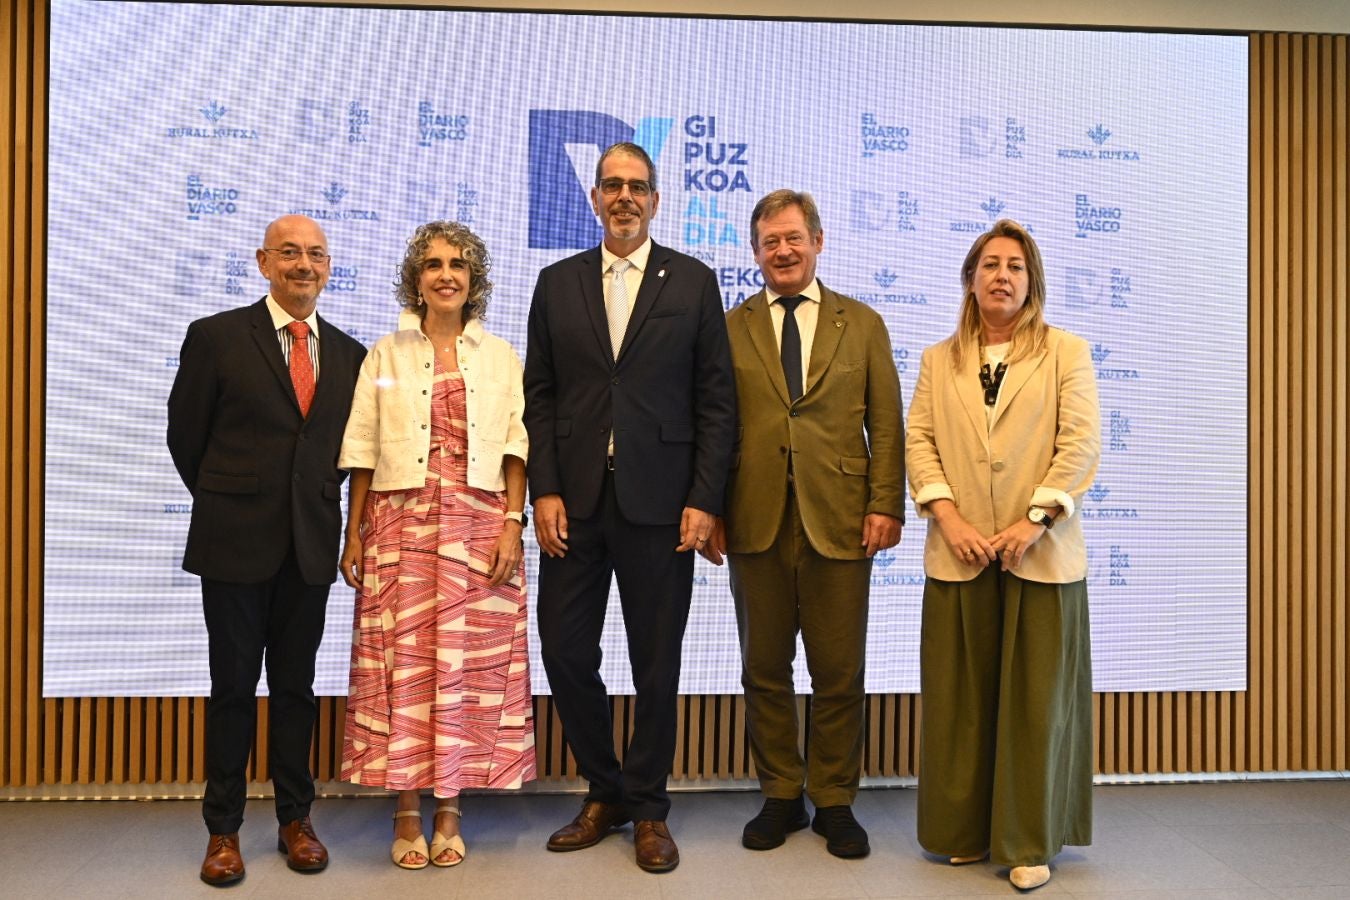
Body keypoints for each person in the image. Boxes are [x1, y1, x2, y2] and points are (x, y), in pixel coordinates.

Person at [523, 141, 736, 873]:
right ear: (593, 197)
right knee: (564, 651)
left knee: (656, 662)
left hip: (662, 505)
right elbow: (540, 397)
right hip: (574, 505)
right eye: (611, 185)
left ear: (656, 199)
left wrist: (705, 500)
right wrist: (543, 489)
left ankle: (648, 806)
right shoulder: (556, 284)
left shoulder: (694, 282)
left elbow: (717, 403)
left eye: (637, 187)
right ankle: (604, 787)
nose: (624, 198)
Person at [701, 189, 904, 859]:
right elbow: (715, 426)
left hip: (842, 521)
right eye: (769, 242)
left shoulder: (863, 323)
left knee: (839, 669)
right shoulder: (729, 327)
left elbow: (887, 423)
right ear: (755, 252)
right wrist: (712, 509)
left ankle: (837, 799)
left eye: (793, 238)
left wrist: (885, 504)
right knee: (764, 667)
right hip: (753, 518)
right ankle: (782, 793)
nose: (782, 251)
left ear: (818, 241)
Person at [167, 214, 367, 886]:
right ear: (263, 262)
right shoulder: (217, 337)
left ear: (328, 267)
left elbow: (345, 454)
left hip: (308, 550)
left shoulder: (349, 354)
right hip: (232, 544)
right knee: (231, 690)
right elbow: (185, 439)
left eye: (315, 254)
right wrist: (235, 501)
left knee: (296, 692)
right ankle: (223, 832)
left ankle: (295, 821)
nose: (302, 265)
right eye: (289, 253)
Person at [906, 218, 1100, 891]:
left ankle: (1027, 841)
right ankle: (962, 831)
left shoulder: (1066, 352)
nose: (1001, 275)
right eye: (989, 263)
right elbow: (920, 443)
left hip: (1038, 557)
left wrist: (1033, 522)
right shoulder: (939, 359)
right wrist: (950, 518)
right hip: (959, 552)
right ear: (970, 278)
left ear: (1032, 281)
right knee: (961, 701)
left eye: (1015, 266)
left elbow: (1079, 445)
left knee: (1035, 704)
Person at [337, 221, 535, 869]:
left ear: (473, 279)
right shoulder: (384, 354)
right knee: (405, 664)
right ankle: (403, 807)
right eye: (432, 264)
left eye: (458, 264)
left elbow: (516, 446)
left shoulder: (502, 357)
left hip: (481, 531)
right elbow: (362, 448)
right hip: (400, 529)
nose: (445, 274)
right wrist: (354, 531)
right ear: (415, 278)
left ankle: (450, 806)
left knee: (463, 669)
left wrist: (513, 522)